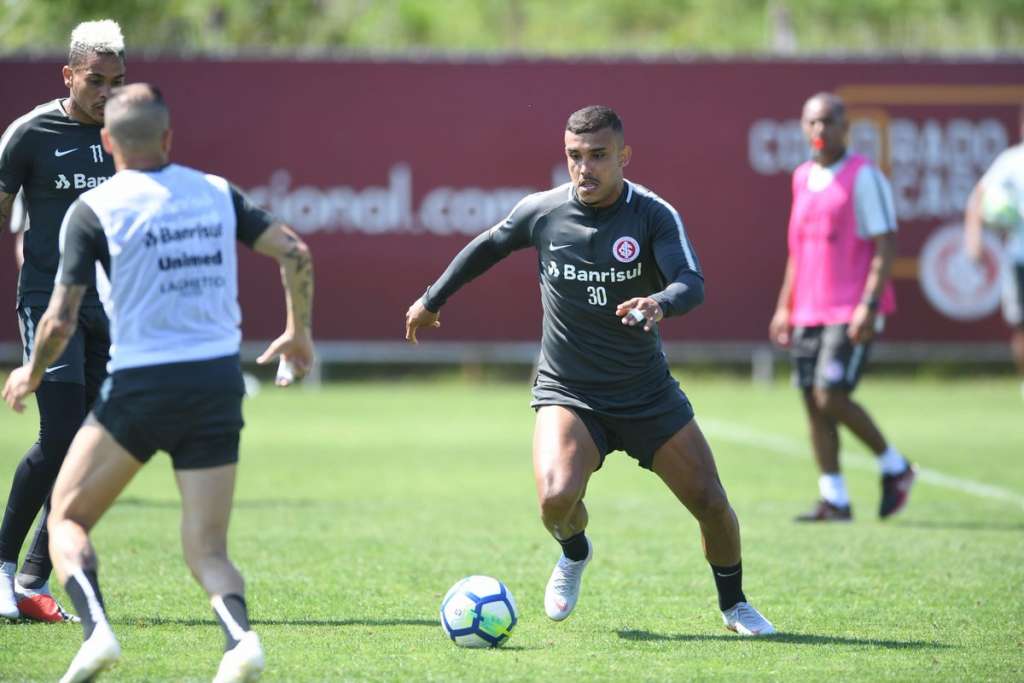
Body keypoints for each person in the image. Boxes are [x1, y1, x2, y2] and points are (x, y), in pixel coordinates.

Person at [406, 105, 775, 636]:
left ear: (623, 157)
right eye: (575, 157)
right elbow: (488, 246)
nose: (585, 169)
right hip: (569, 391)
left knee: (712, 503)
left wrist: (660, 303)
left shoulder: (652, 214)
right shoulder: (544, 211)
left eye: (598, 156)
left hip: (645, 393)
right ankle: (575, 552)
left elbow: (691, 282)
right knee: (556, 500)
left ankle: (734, 604)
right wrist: (431, 299)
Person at [2, 83, 315, 683]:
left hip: (142, 385)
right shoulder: (217, 193)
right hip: (217, 385)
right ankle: (240, 641)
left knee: (67, 518)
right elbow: (295, 252)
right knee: (209, 550)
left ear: (107, 143)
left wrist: (32, 371)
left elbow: (60, 317)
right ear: (170, 137)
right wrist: (299, 335)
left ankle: (96, 635)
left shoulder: (92, 210)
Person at [0, 19, 125, 622]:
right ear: (68, 75)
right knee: (59, 439)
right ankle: (1, 568)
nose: (106, 92)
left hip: (111, 308)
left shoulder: (127, 135)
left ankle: (31, 581)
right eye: (95, 80)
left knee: (93, 449)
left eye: (116, 81)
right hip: (50, 305)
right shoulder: (28, 135)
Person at [768, 92, 916, 522]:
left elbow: (886, 242)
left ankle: (895, 467)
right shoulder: (801, 177)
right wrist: (785, 306)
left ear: (844, 128)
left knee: (830, 396)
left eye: (828, 122)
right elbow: (797, 251)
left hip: (850, 307)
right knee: (811, 403)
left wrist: (869, 304)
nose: (819, 130)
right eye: (811, 122)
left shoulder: (862, 176)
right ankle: (835, 498)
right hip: (808, 309)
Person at [964, 108, 1024, 398]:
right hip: (1019, 257)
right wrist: (974, 239)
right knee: (1020, 325)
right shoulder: (1012, 161)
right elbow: (979, 196)